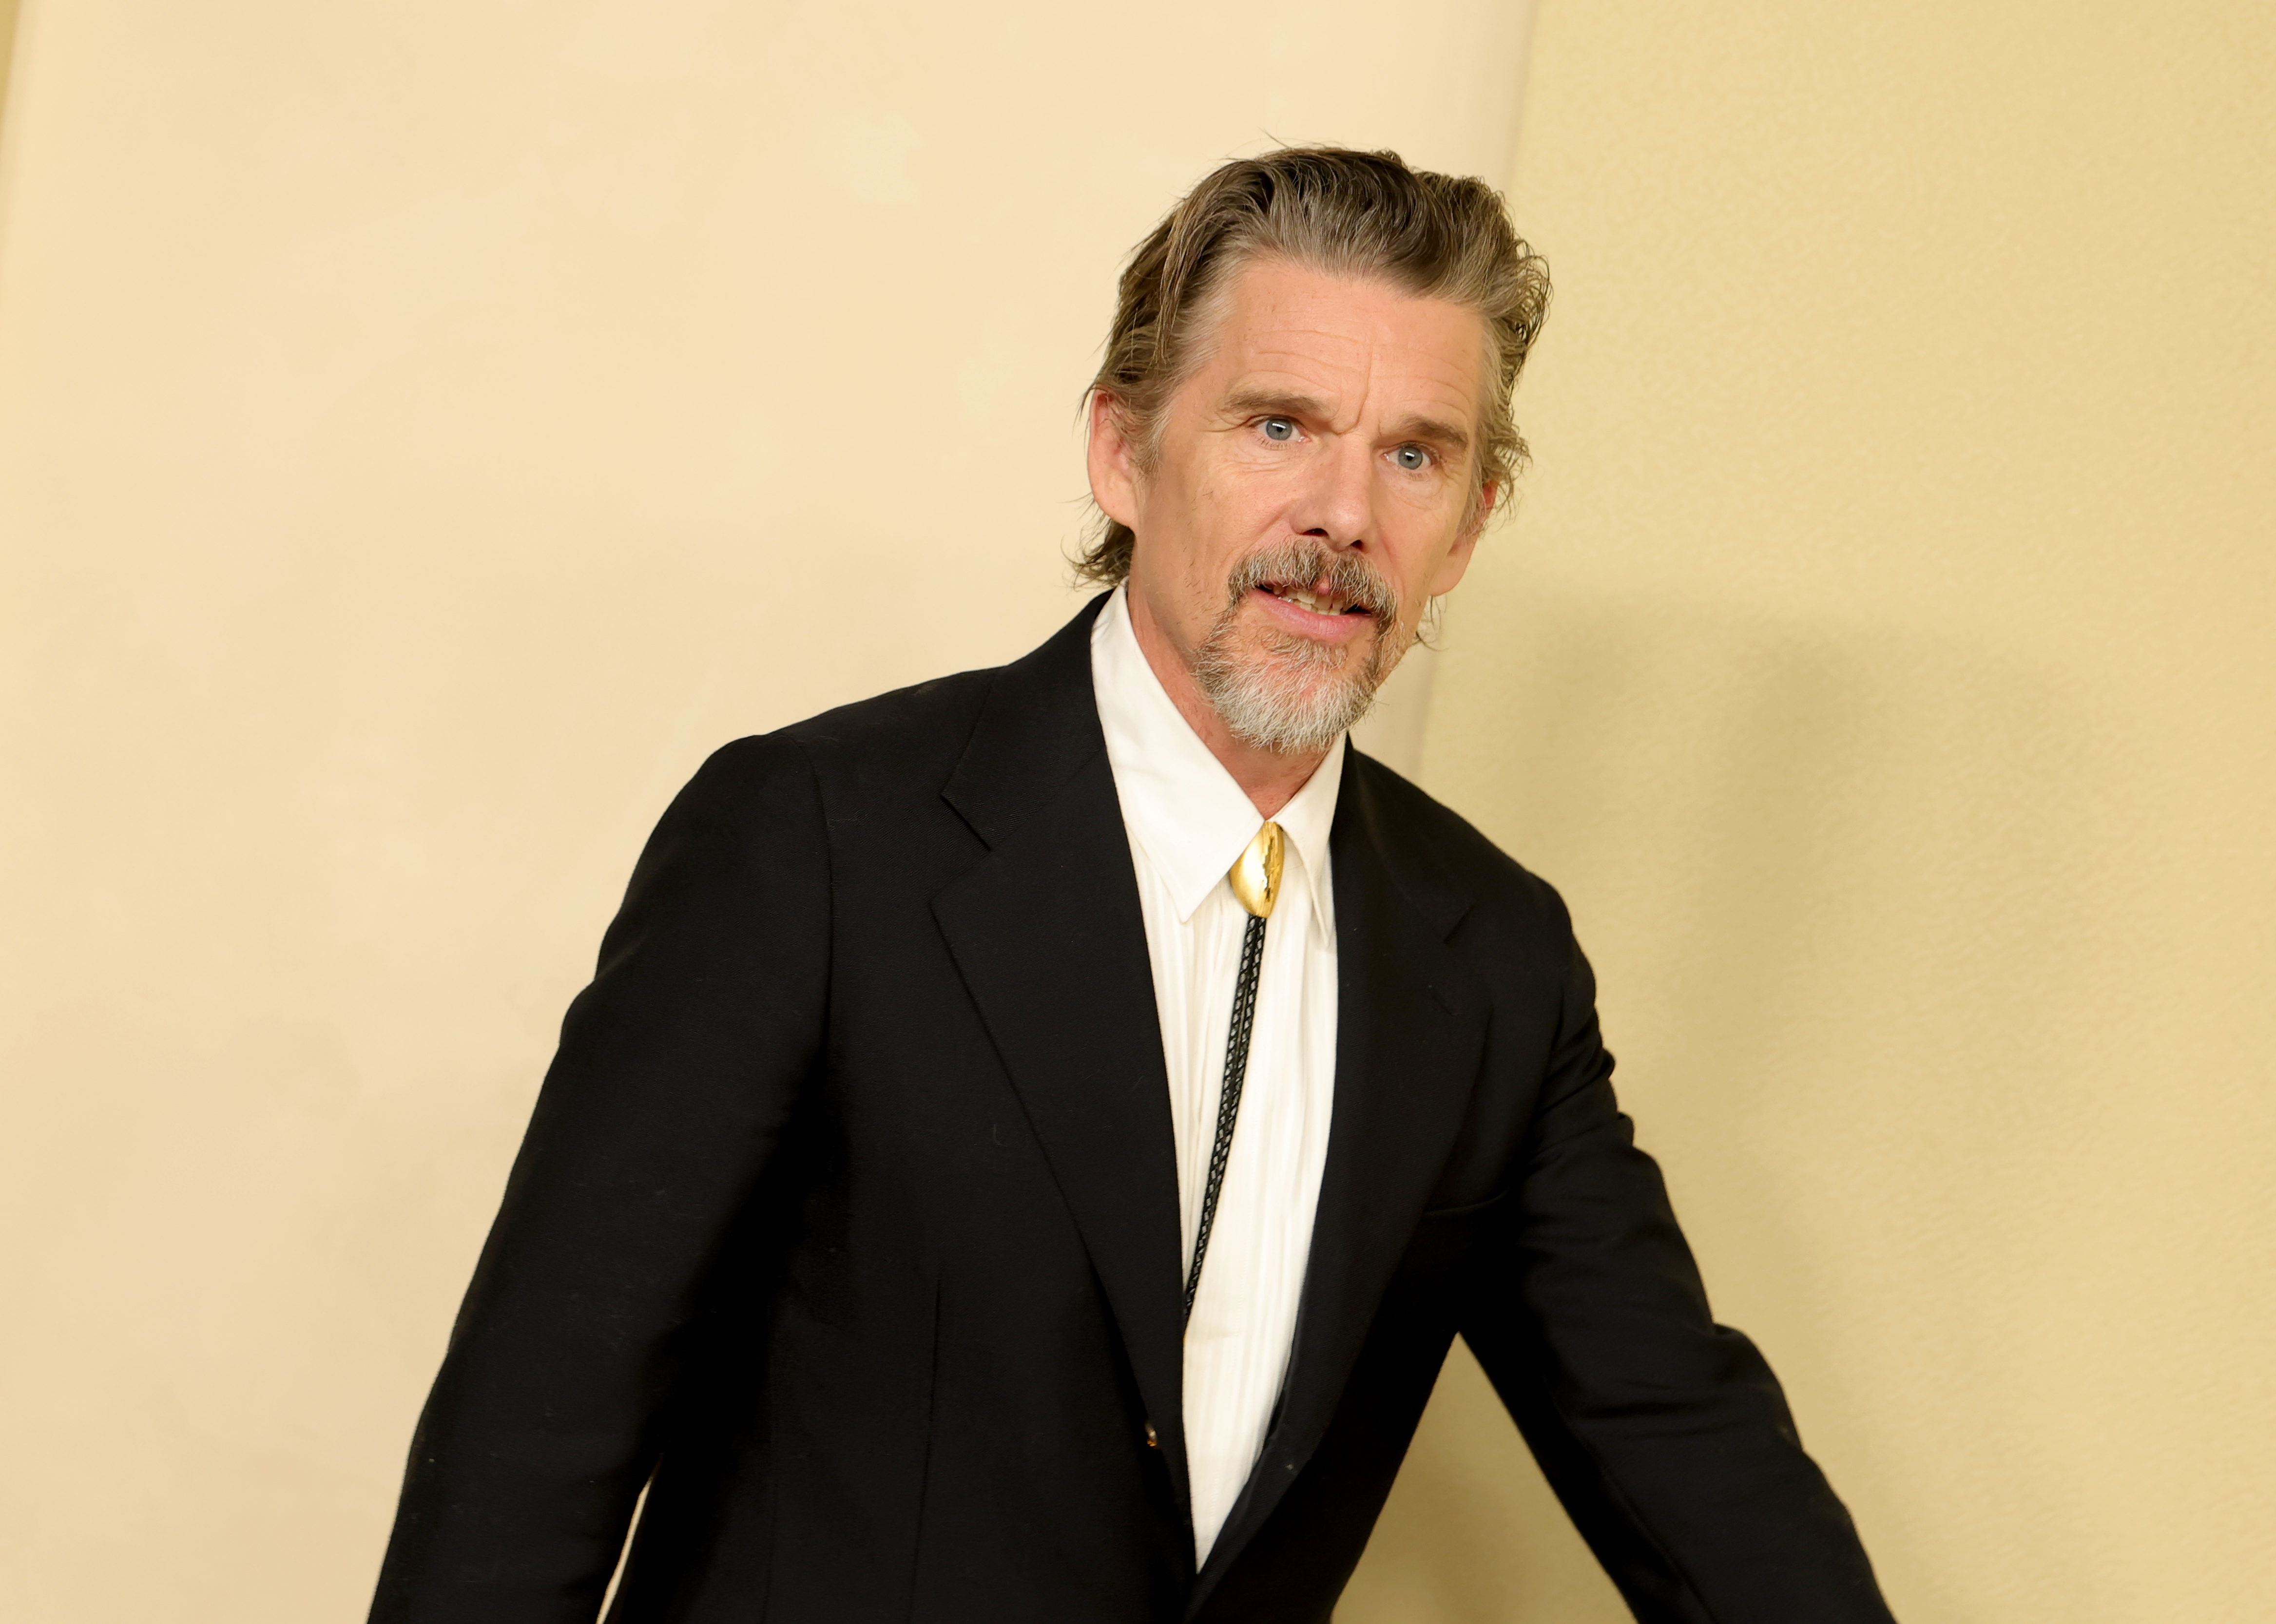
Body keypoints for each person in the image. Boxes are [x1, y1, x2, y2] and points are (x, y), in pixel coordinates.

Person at [368, 147, 1894, 1624]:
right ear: (1122, 449)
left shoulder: (1496, 956)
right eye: (1279, 426)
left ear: (1469, 527)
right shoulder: (818, 837)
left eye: (1415, 455)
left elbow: (1682, 1447)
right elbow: (537, 1437)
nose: (1345, 518)